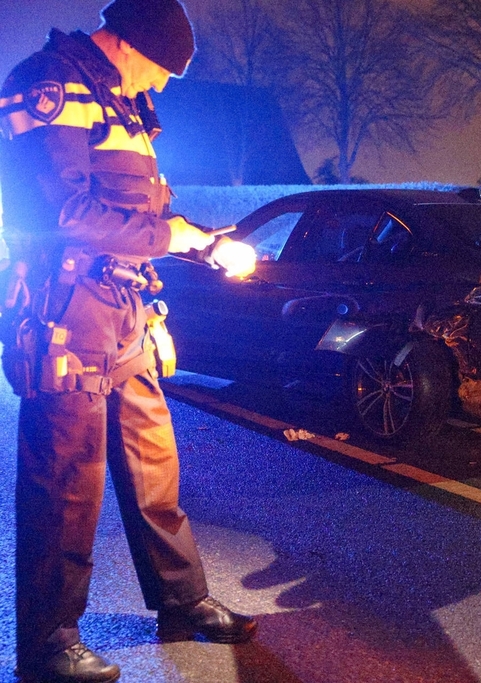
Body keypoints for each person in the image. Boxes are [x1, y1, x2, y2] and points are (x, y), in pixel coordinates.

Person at [0, 1, 258, 681]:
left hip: (125, 306)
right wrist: (168, 236)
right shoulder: (49, 83)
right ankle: (48, 641)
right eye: (161, 68)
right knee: (65, 479)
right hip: (67, 307)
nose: (162, 84)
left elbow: (141, 211)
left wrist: (199, 240)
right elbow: (63, 211)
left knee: (153, 464)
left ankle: (182, 601)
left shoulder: (125, 104)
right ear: (129, 43)